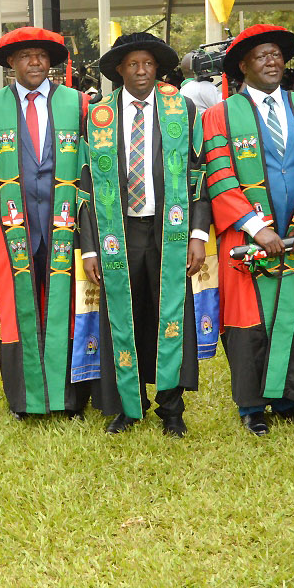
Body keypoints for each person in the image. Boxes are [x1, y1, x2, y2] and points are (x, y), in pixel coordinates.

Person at [202, 24, 294, 436]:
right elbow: (219, 175)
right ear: (242, 65)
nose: (272, 61)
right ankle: (251, 406)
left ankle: (288, 400)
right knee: (249, 319)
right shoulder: (220, 114)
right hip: (248, 237)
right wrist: (253, 225)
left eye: (277, 54)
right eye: (261, 55)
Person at [77, 32, 215, 436]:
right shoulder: (99, 116)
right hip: (117, 232)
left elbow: (199, 175)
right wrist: (88, 250)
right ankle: (127, 404)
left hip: (168, 231)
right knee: (125, 317)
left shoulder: (183, 110)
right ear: (119, 70)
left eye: (148, 64)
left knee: (168, 314)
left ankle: (171, 408)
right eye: (132, 64)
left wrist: (197, 235)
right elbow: (85, 186)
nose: (141, 71)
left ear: (158, 68)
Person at [0, 27, 92, 419]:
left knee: (66, 305)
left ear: (51, 61)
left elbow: (92, 173)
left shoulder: (79, 104)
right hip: (12, 226)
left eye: (41, 55)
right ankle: (26, 400)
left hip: (66, 223)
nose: (35, 62)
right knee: (18, 307)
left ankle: (70, 398)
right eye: (25, 56)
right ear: (10, 63)